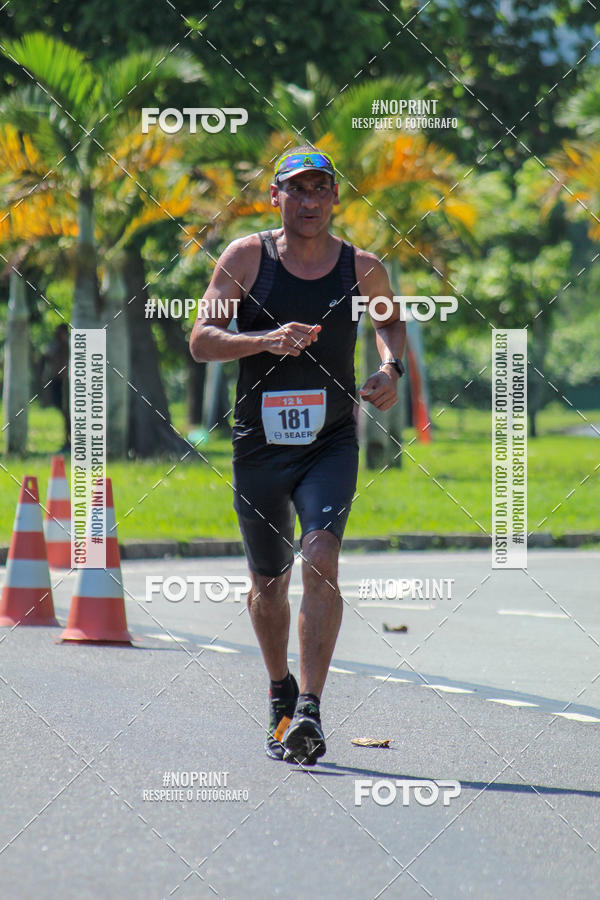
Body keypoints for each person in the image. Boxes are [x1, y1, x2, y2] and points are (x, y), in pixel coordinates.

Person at [189, 146, 406, 765]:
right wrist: (263, 340)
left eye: (320, 190)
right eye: (297, 190)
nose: (309, 202)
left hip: (330, 440)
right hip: (259, 443)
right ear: (275, 197)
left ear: (335, 198)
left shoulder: (361, 268)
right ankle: (279, 690)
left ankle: (309, 708)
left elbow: (391, 324)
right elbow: (202, 341)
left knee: (321, 555)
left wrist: (390, 369)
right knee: (267, 580)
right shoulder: (246, 258)